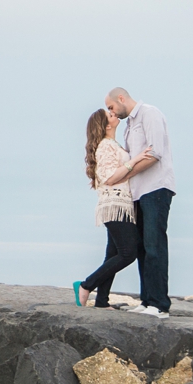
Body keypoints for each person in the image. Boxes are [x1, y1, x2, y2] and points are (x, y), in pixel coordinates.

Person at [105, 86, 175, 315]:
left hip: (156, 189)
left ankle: (160, 305)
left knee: (155, 246)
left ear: (121, 98)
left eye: (112, 107)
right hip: (137, 193)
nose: (111, 112)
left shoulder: (149, 113)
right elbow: (132, 158)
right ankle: (147, 301)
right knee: (143, 248)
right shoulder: (128, 127)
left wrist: (127, 173)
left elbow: (155, 154)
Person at [77, 107, 138, 308]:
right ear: (106, 125)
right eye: (109, 115)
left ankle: (102, 301)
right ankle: (86, 285)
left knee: (112, 254)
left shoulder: (112, 144)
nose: (114, 114)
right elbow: (109, 177)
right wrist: (136, 161)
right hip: (114, 204)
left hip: (121, 204)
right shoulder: (105, 146)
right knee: (129, 252)